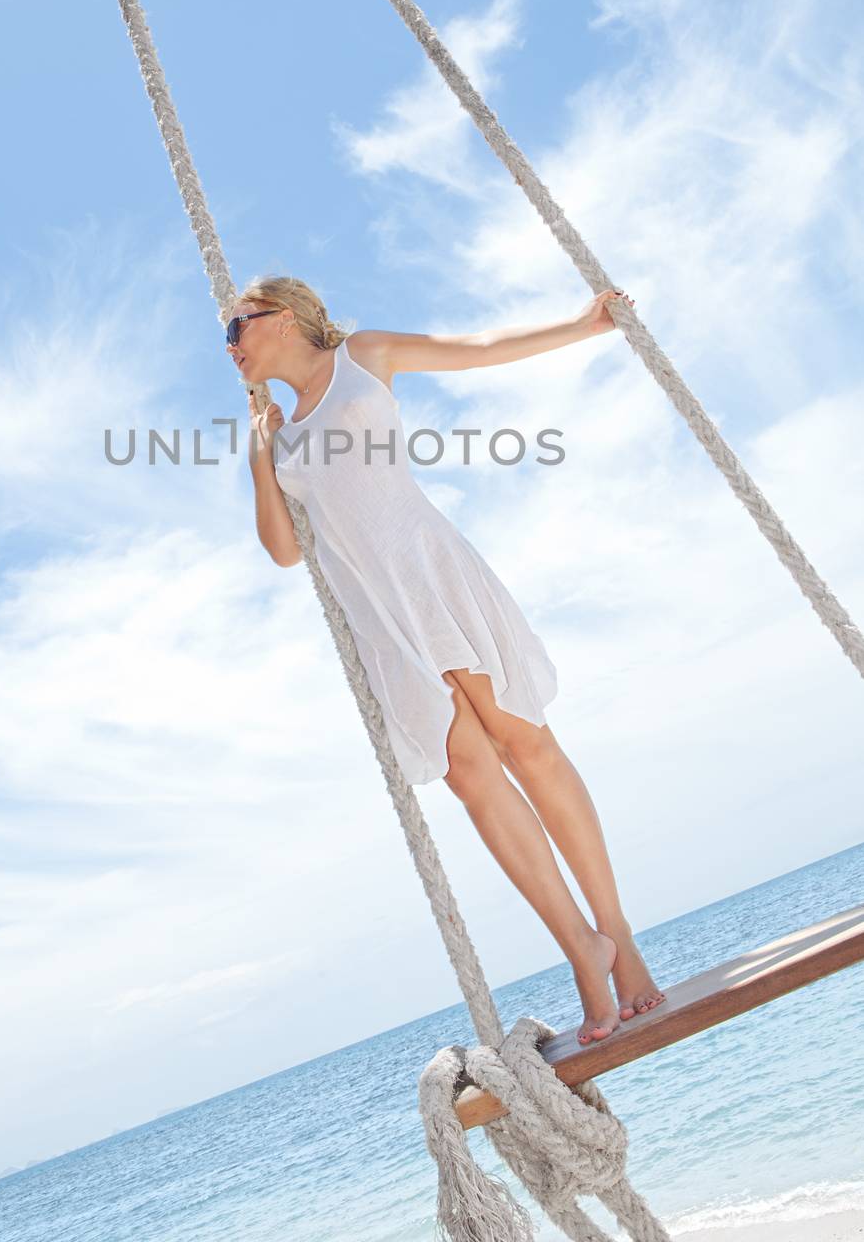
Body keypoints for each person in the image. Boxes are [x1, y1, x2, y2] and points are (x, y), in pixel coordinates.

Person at [227, 274, 664, 1047]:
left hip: (430, 572)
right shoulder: (280, 434)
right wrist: (260, 451)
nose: (229, 345)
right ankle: (581, 951)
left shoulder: (363, 358)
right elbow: (285, 550)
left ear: (286, 319)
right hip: (380, 615)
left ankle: (618, 936)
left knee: (524, 742)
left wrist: (585, 325)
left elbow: (480, 349)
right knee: (469, 777)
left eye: (238, 327)